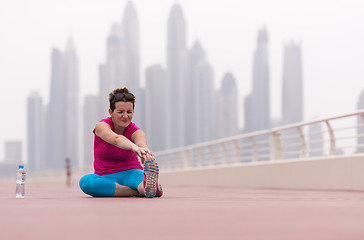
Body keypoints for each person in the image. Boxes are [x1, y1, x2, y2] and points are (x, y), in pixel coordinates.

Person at [79, 87, 162, 198]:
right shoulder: (101, 126)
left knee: (141, 182)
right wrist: (134, 148)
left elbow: (141, 142)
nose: (125, 116)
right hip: (106, 176)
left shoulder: (136, 131)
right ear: (110, 112)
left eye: (129, 112)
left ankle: (148, 188)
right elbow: (116, 139)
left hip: (131, 172)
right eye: (120, 112)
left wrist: (144, 152)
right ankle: (140, 191)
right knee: (86, 182)